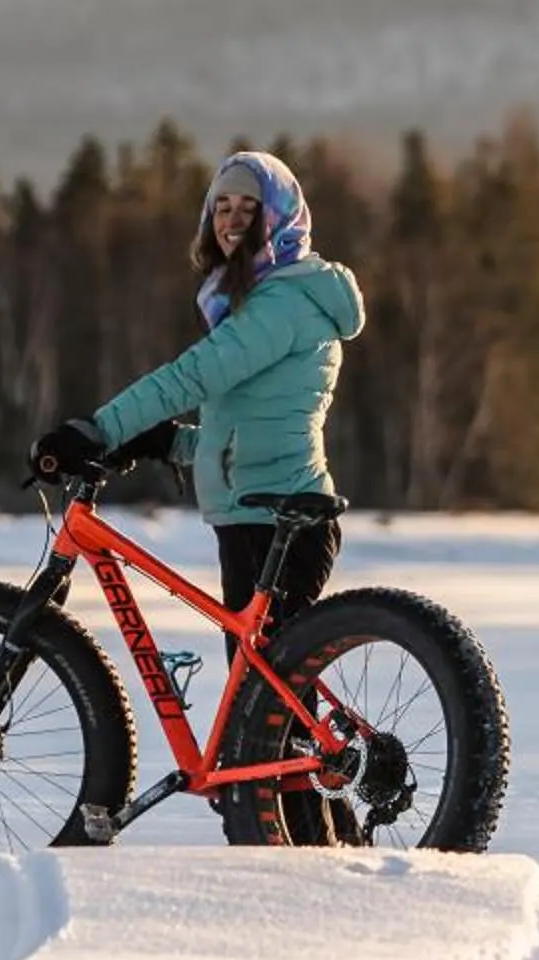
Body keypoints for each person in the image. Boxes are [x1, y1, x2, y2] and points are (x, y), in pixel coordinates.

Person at [29, 149, 366, 642]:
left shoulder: (281, 304)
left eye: (248, 208)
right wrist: (169, 443)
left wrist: (100, 429)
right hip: (258, 515)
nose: (231, 221)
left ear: (279, 216)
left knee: (265, 708)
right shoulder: (268, 297)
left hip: (272, 524)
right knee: (262, 704)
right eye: (221, 207)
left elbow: (191, 379)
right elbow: (255, 432)